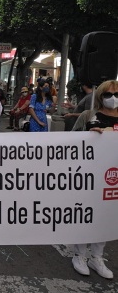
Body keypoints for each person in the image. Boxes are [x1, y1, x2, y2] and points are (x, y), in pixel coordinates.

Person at [70, 80, 118, 279]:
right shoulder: (92, 117)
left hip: (113, 179)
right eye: (108, 95)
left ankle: (97, 257)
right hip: (94, 176)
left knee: (106, 217)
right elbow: (73, 143)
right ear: (100, 97)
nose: (113, 99)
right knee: (86, 213)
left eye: (116, 94)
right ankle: (79, 255)